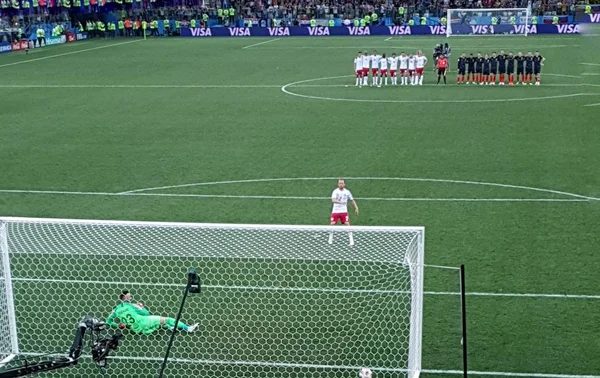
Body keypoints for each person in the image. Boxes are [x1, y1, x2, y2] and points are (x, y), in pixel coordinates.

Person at [106, 290, 199, 334]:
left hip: (137, 329)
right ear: (125, 298)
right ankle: (188, 328)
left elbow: (108, 322)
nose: (131, 297)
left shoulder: (116, 310)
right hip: (144, 323)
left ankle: (170, 327)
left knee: (158, 323)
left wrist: (118, 326)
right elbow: (147, 314)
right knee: (168, 319)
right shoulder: (131, 306)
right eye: (130, 296)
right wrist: (142, 307)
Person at [328, 179, 359, 246]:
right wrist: (340, 202)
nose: (340, 184)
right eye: (339, 183)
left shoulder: (347, 192)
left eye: (342, 183)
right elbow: (333, 200)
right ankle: (330, 239)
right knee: (332, 224)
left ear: (344, 184)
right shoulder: (335, 191)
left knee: (347, 224)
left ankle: (351, 240)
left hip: (343, 211)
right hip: (335, 211)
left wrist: (356, 207)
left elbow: (352, 200)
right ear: (338, 184)